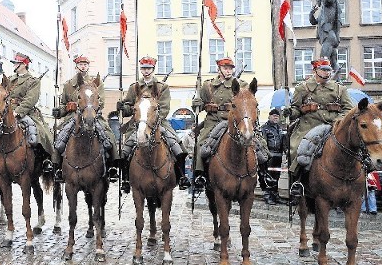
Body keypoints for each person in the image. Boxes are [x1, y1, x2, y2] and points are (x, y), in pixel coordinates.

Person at [116, 56, 189, 193]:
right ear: (141, 70)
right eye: (143, 68)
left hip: (158, 123)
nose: (146, 71)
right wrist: (122, 107)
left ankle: (182, 176)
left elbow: (165, 108)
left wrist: (153, 121)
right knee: (125, 150)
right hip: (138, 123)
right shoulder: (134, 87)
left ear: (153, 69)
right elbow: (129, 108)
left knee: (177, 146)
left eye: (148, 68)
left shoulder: (162, 87)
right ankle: (125, 179)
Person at [284, 57, 353, 198]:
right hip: (308, 126)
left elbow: (349, 109)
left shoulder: (340, 89)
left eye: (329, 70)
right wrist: (290, 112)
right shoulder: (302, 88)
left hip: (332, 126)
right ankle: (298, 182)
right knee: (296, 147)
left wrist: (339, 121)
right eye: (324, 70)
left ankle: (358, 179)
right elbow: (296, 109)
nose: (327, 73)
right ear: (315, 71)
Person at [51, 55, 117, 182]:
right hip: (73, 116)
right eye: (80, 64)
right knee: (59, 137)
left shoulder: (96, 82)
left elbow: (101, 101)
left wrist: (88, 107)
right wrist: (60, 110)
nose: (83, 66)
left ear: (88, 66)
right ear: (76, 66)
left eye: (85, 64)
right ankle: (58, 168)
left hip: (92, 115)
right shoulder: (69, 84)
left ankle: (112, 166)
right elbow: (64, 103)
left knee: (109, 135)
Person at [191, 56, 248, 191]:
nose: (228, 71)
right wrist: (197, 104)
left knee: (255, 142)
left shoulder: (241, 85)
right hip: (212, 120)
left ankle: (261, 173)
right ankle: (200, 174)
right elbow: (200, 104)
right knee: (201, 143)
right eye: (225, 68)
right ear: (219, 69)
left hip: (232, 121)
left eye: (230, 69)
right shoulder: (207, 85)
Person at [0, 53, 55, 172]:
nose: (15, 65)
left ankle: (45, 159)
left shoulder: (33, 81)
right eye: (15, 63)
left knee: (39, 131)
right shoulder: (9, 80)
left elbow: (31, 99)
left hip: (26, 112)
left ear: (24, 65)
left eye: (17, 63)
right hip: (7, 111)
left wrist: (18, 112)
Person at [309, 0, 341, 72]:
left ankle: (324, 81)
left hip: (329, 36)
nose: (318, 0)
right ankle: (337, 80)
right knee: (333, 61)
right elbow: (313, 22)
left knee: (324, 60)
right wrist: (311, 13)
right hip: (327, 37)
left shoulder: (330, 4)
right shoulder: (323, 13)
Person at [259, 108, 287, 205]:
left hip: (278, 156)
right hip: (269, 155)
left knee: (276, 176)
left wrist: (286, 152)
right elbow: (263, 143)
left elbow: (283, 142)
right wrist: (266, 156)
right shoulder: (264, 128)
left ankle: (275, 195)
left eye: (277, 116)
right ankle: (268, 195)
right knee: (268, 177)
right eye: (273, 116)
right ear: (269, 116)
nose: (275, 117)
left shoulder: (280, 128)